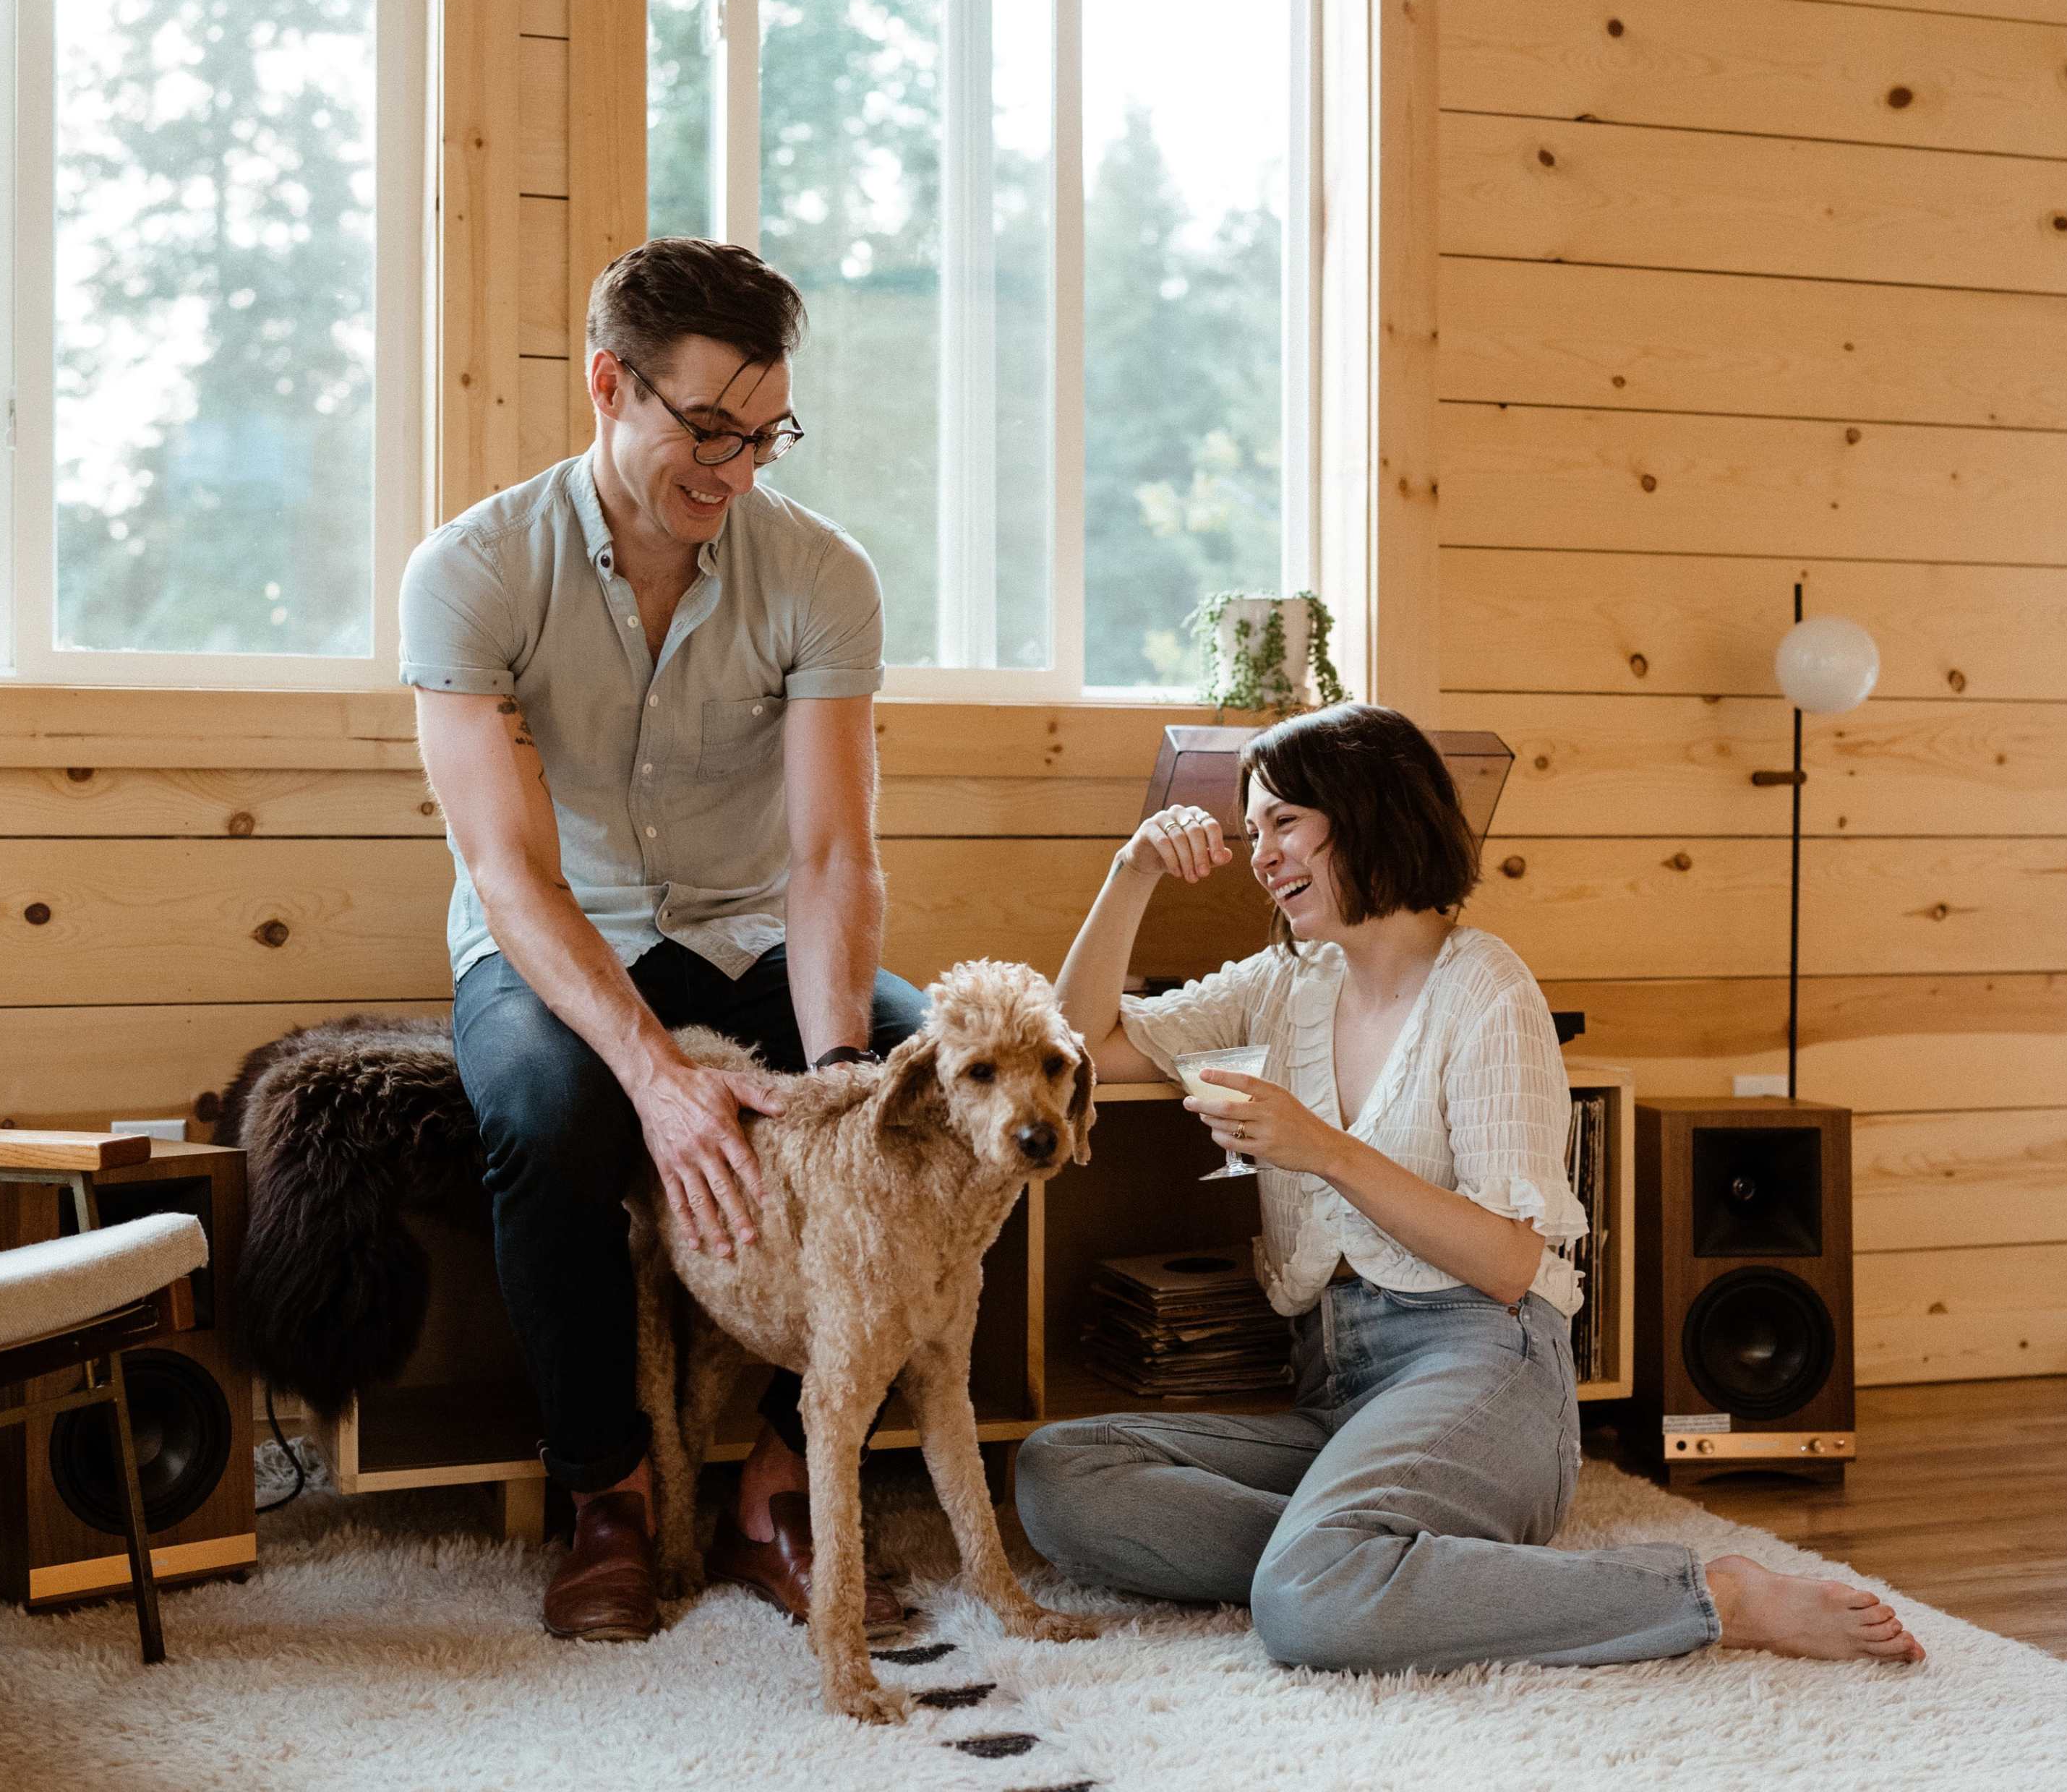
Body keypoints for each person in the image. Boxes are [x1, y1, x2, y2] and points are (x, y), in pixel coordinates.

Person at [1015, 703, 1926, 1672]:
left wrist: (1322, 1147)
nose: (1261, 854)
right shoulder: (1287, 981)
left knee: (1307, 1603)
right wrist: (1133, 871)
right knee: (1059, 1473)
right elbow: (1071, 1051)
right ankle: (1376, 1556)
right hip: (1337, 1391)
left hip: (1484, 1368)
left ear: (1366, 813)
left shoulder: (1486, 988)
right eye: (1253, 830)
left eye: (1284, 822)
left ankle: (1711, 1595)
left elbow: (1507, 1262)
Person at [401, 238, 918, 1643]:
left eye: (764, 437)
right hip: (558, 941)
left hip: (751, 935)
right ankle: (609, 1490)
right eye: (705, 431)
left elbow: (827, 856)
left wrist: (834, 1078)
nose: (736, 471)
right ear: (608, 383)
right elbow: (508, 873)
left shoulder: (822, 576)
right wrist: (655, 1076)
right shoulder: (472, 569)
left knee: (930, 1093)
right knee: (551, 1101)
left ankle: (781, 1485)